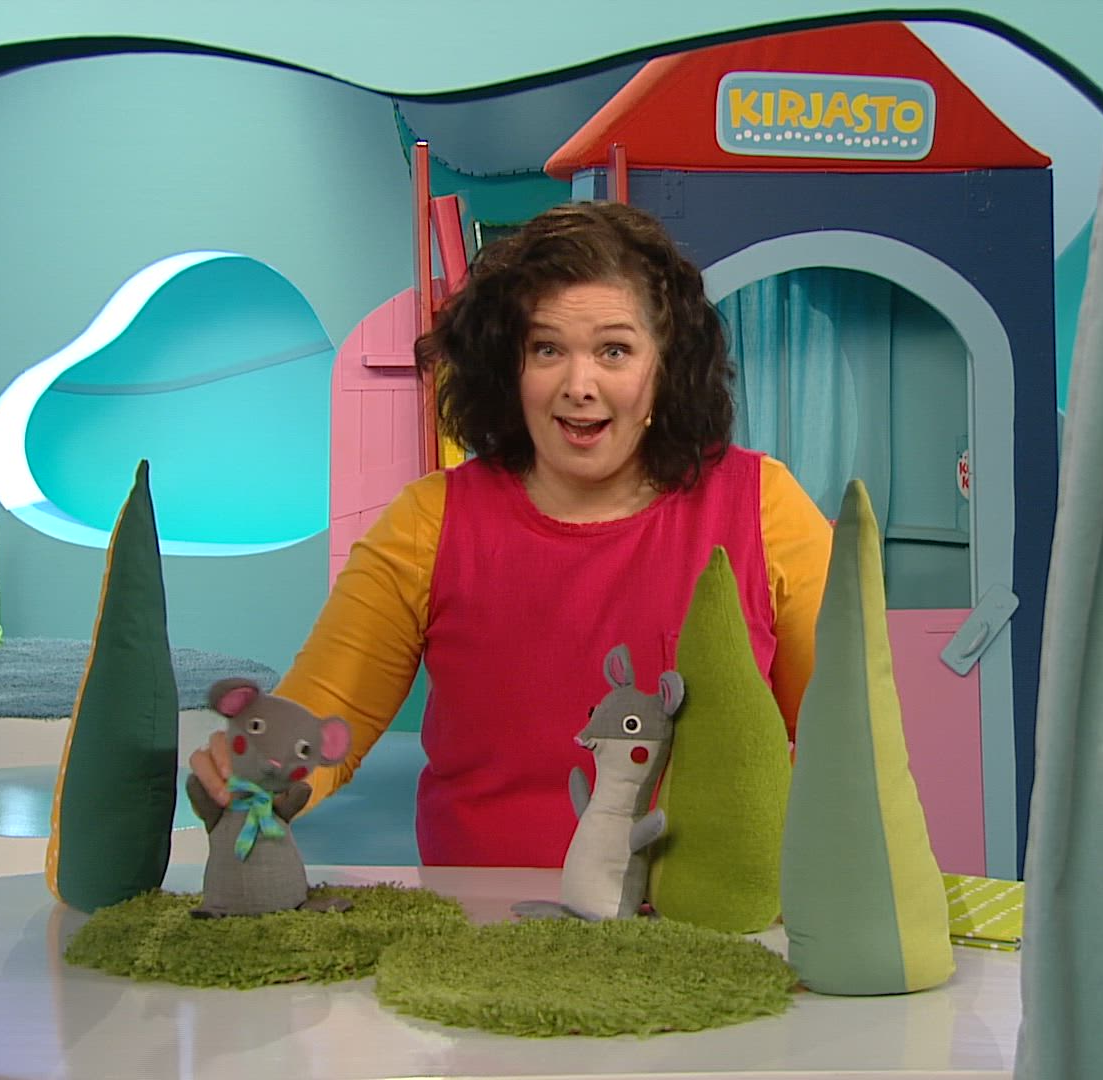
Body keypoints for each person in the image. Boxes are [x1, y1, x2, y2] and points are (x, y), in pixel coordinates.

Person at [190, 201, 832, 867]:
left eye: (614, 351)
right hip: (480, 917)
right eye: (547, 349)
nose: (579, 385)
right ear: (508, 366)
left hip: (712, 916)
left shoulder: (765, 506)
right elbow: (325, 716)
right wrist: (252, 770)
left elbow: (844, 739)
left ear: (666, 366)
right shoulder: (428, 522)